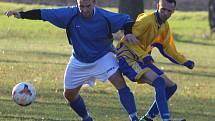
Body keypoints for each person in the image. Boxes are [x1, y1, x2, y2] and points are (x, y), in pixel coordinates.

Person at [4, 0, 140, 121]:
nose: (85, 10)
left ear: (94, 3)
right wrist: (21, 15)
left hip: (103, 57)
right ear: (77, 3)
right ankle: (86, 118)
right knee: (69, 94)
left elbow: (126, 20)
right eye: (81, 6)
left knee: (119, 83)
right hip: (79, 60)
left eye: (88, 6)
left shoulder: (104, 16)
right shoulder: (69, 14)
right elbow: (43, 14)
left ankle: (134, 118)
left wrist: (128, 32)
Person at [116, 0, 195, 121]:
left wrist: (184, 61)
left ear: (173, 11)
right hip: (127, 57)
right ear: (157, 6)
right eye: (163, 9)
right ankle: (166, 119)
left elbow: (168, 48)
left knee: (171, 87)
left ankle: (147, 118)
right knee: (159, 82)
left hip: (141, 59)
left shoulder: (164, 26)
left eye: (169, 11)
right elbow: (128, 39)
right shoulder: (146, 20)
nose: (165, 13)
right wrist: (144, 56)